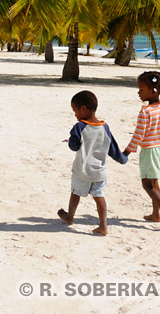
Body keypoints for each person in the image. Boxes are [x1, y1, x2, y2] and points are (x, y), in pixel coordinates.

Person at [57, 90, 127, 236]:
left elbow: (74, 146)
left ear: (83, 109)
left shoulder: (79, 127)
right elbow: (112, 149)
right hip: (99, 172)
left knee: (75, 192)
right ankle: (103, 225)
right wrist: (124, 158)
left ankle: (70, 217)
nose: (75, 115)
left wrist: (71, 140)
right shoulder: (105, 127)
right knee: (99, 196)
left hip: (82, 171)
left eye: (75, 111)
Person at [123, 71, 160, 230]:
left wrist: (127, 151)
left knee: (147, 184)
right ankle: (156, 214)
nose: (138, 93)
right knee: (154, 182)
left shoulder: (145, 111)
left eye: (141, 89)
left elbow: (138, 135)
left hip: (150, 151)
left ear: (153, 90)